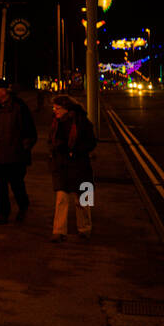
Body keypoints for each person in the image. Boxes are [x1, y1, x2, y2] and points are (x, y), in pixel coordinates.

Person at [0, 78, 36, 224]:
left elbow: (30, 132)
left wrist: (24, 150)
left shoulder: (19, 107)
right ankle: (2, 213)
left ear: (3, 91)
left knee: (17, 184)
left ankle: (23, 206)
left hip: (16, 156)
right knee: (1, 187)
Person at [49, 94, 96, 241]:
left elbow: (92, 143)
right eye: (54, 107)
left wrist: (74, 150)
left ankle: (85, 229)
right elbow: (50, 140)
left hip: (80, 164)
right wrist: (55, 150)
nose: (54, 110)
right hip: (62, 165)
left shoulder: (83, 122)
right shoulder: (56, 123)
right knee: (61, 198)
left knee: (83, 199)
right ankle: (58, 231)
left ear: (67, 109)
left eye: (57, 108)